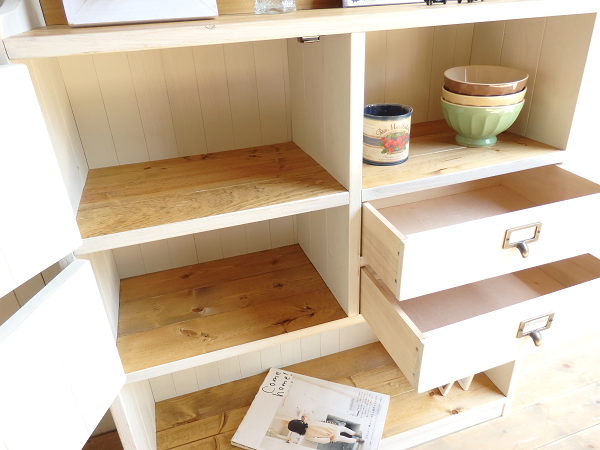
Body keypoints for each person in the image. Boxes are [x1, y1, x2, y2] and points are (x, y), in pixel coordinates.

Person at [283, 418, 364, 444]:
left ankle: (358, 440)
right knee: (344, 429)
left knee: (344, 439)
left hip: (329, 435)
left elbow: (318, 440)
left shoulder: (306, 436)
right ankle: (357, 434)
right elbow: (310, 414)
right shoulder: (308, 422)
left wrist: (328, 439)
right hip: (331, 428)